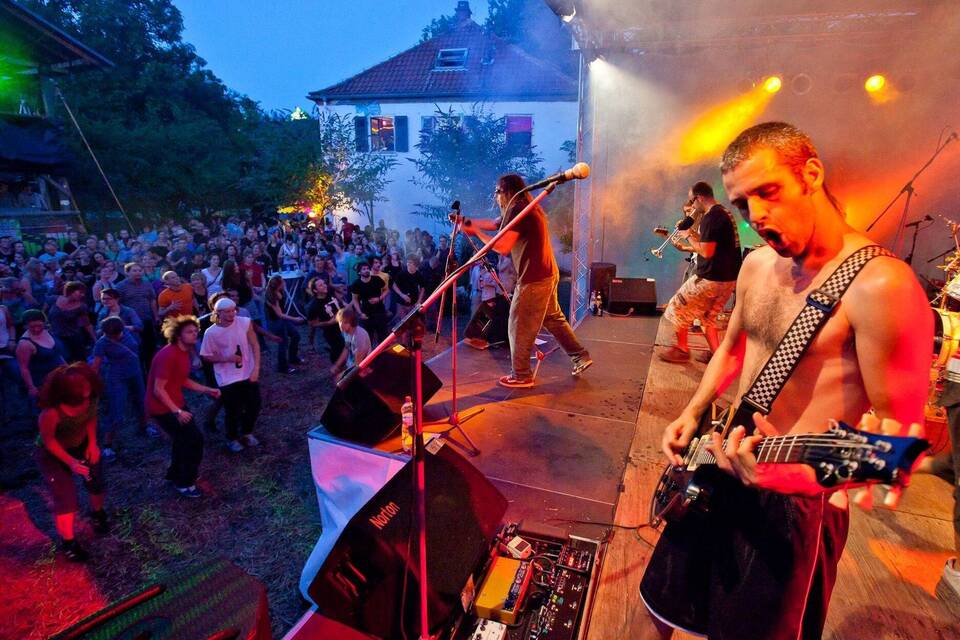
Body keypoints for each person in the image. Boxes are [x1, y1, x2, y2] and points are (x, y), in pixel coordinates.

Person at [636, 122, 930, 640]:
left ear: (811, 174)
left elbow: (895, 443)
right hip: (721, 459)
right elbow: (731, 347)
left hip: (795, 501)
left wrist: (796, 479)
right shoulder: (756, 267)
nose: (757, 216)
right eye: (744, 204)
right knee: (665, 606)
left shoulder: (881, 287)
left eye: (767, 193)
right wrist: (692, 410)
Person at [461, 174, 592, 388]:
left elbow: (502, 247)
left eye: (497, 191)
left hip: (534, 278)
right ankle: (580, 356)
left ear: (507, 191)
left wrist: (475, 232)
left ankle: (521, 375)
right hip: (547, 273)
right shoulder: (523, 207)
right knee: (553, 318)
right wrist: (466, 222)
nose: (496, 197)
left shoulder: (519, 210)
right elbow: (495, 224)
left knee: (518, 324)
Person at [658, 181, 742, 364]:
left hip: (710, 278)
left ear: (699, 198)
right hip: (727, 280)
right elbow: (712, 245)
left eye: (692, 201)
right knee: (707, 318)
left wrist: (688, 236)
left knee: (677, 306)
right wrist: (691, 233)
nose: (692, 206)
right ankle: (717, 356)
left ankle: (681, 350)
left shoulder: (711, 218)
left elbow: (706, 252)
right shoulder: (724, 214)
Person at [34, 363, 108, 561]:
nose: (87, 389)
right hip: (53, 453)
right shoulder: (51, 412)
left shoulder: (90, 398)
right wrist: (71, 463)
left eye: (87, 383)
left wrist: (92, 444)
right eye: (81, 386)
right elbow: (48, 441)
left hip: (81, 443)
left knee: (96, 480)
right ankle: (69, 543)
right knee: (66, 498)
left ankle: (98, 514)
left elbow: (90, 419)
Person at [145, 315, 220, 498]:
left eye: (195, 331)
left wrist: (206, 389)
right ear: (178, 335)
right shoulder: (167, 355)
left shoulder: (183, 352)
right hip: (163, 407)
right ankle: (185, 481)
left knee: (182, 440)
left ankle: (175, 474)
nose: (194, 334)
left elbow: (182, 379)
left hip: (175, 403)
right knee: (193, 440)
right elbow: (158, 389)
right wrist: (177, 411)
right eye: (189, 332)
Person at [199, 297, 261, 453]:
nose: (231, 314)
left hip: (247, 372)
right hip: (227, 377)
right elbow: (206, 356)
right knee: (232, 409)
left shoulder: (244, 322)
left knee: (254, 404)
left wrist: (256, 368)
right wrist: (226, 358)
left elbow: (255, 344)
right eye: (227, 311)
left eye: (233, 310)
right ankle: (232, 438)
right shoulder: (211, 333)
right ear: (217, 313)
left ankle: (247, 432)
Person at [91, 316, 145, 460]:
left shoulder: (126, 331)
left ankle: (144, 427)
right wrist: (91, 386)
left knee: (141, 402)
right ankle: (108, 445)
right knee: (117, 410)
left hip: (135, 372)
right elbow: (95, 366)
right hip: (117, 377)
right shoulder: (102, 343)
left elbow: (139, 331)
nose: (113, 338)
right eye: (109, 335)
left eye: (115, 335)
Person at [118, 262, 159, 375]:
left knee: (150, 347)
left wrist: (155, 315)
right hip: (131, 324)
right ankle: (138, 374)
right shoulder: (121, 286)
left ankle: (151, 372)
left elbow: (152, 300)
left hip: (147, 320)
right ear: (127, 272)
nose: (138, 273)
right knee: (136, 349)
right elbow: (118, 304)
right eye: (134, 271)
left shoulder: (147, 284)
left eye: (140, 270)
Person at [264, 274, 304, 374]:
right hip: (275, 322)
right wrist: (295, 319)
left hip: (282, 320)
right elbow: (279, 314)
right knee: (283, 343)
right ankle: (283, 367)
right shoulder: (271, 296)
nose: (285, 282)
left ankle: (293, 358)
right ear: (279, 285)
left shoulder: (280, 291)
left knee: (296, 335)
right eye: (283, 281)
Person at [47, 281, 95, 362]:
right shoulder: (53, 299)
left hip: (73, 338)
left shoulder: (81, 307)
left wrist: (94, 338)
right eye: (80, 292)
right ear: (71, 291)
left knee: (79, 362)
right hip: (56, 337)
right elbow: (43, 312)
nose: (82, 295)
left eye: (83, 293)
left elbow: (87, 324)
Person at [349, 261, 389, 345]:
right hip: (366, 312)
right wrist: (360, 313)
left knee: (383, 334)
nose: (366, 270)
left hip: (379, 310)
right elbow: (355, 300)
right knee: (368, 336)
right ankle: (371, 355)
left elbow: (386, 290)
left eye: (367, 269)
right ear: (359, 272)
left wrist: (379, 298)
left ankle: (383, 353)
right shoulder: (356, 284)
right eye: (364, 269)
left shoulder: (377, 279)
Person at [306, 277, 345, 361]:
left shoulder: (330, 293)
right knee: (338, 351)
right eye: (320, 285)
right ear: (315, 290)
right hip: (332, 332)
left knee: (348, 347)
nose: (324, 286)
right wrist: (328, 323)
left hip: (345, 326)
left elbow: (340, 303)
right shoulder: (313, 306)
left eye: (324, 283)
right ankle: (337, 369)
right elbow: (312, 324)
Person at [330, 306, 370, 376]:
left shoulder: (359, 337)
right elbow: (347, 348)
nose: (341, 325)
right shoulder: (346, 332)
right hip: (352, 366)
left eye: (345, 322)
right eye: (340, 321)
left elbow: (358, 364)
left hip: (363, 370)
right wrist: (337, 365)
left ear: (352, 322)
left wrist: (343, 375)